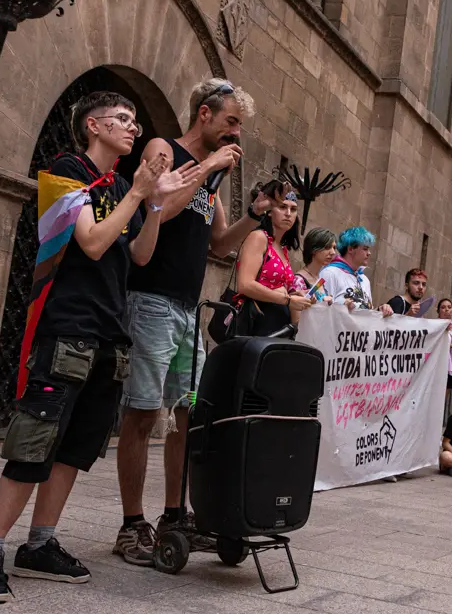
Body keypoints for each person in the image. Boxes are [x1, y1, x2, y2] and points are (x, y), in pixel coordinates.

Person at [0, 92, 201, 603]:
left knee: (76, 447)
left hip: (110, 331)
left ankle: (40, 543)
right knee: (34, 444)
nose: (134, 128)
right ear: (93, 125)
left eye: (136, 121)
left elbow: (138, 255)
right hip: (66, 326)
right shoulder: (66, 171)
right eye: (123, 119)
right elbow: (90, 241)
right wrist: (139, 194)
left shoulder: (119, 184)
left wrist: (154, 204)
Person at [115, 79, 268, 565]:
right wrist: (206, 167)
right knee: (142, 413)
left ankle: (174, 514)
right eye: (230, 122)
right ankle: (131, 524)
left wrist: (256, 216)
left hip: (186, 309)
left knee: (190, 412)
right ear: (204, 114)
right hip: (151, 303)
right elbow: (160, 206)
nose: (235, 134)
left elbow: (219, 244)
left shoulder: (214, 177)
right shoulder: (164, 149)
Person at [234, 181, 313, 335]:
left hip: (278, 324)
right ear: (270, 211)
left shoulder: (282, 248)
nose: (289, 213)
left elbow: (276, 289)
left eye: (293, 209)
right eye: (283, 207)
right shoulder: (259, 237)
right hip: (256, 322)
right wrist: (288, 300)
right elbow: (244, 285)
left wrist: (296, 297)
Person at [318, 227, 393, 316]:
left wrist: (379, 310)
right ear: (350, 249)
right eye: (365, 249)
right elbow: (321, 310)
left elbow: (366, 315)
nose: (369, 253)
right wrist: (343, 308)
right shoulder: (329, 273)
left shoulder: (364, 279)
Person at [291, 227, 337, 292]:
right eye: (327, 247)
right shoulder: (299, 280)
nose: (333, 252)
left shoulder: (318, 278)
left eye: (334, 247)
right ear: (313, 249)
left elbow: (317, 299)